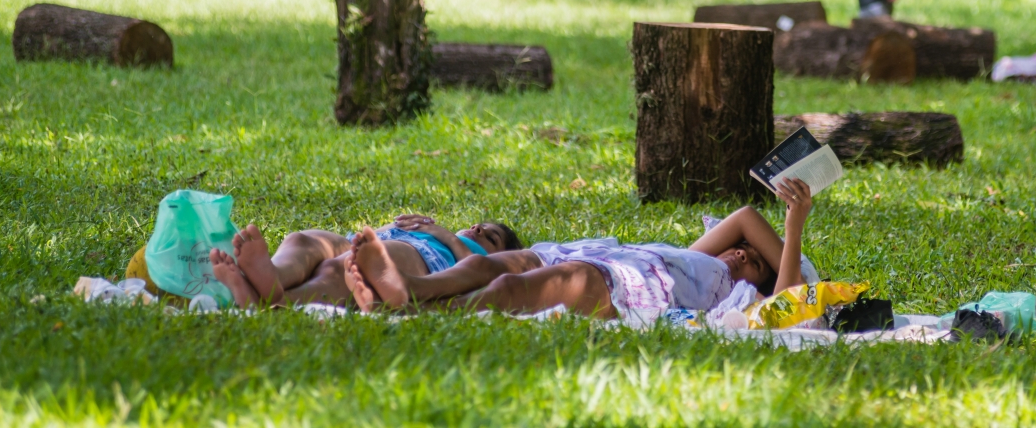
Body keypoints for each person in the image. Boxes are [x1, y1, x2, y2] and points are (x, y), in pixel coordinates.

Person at [341, 179, 815, 326]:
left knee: (512, 288)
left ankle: (418, 310)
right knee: (490, 264)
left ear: (758, 282)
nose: (740, 255)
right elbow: (746, 216)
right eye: (740, 250)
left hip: (621, 283)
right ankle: (411, 287)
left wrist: (793, 226)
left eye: (754, 262)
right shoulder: (695, 256)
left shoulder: (731, 292)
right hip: (606, 256)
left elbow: (791, 300)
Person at [208, 216, 521, 309]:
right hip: (373, 240)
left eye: (490, 237)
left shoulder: (476, 258)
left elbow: (474, 271)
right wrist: (394, 226)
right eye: (479, 225)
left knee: (338, 268)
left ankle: (279, 301)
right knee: (303, 241)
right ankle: (274, 276)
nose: (478, 230)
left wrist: (447, 236)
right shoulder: (431, 226)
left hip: (419, 255)